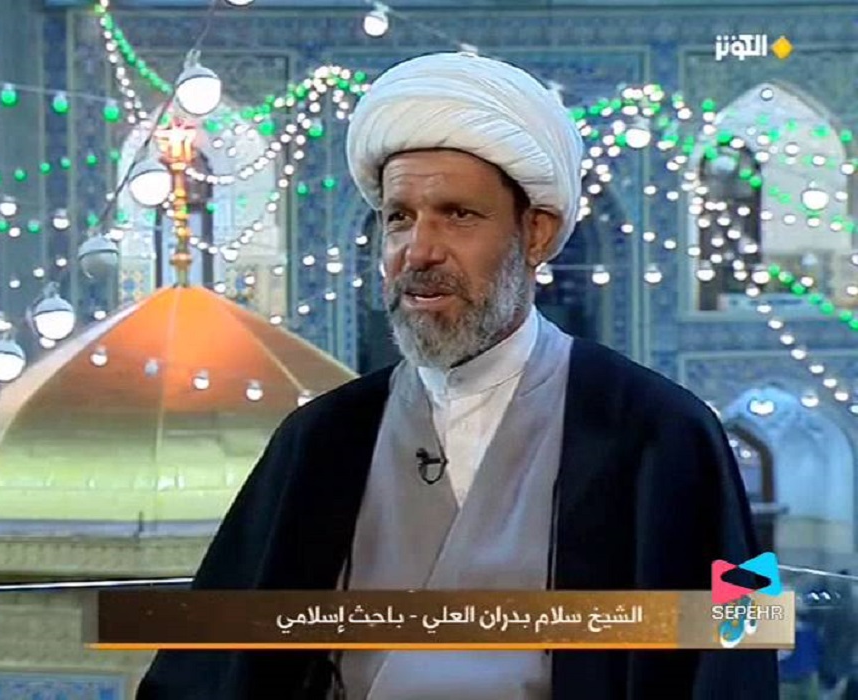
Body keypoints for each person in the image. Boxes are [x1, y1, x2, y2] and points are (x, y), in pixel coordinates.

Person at [136, 51, 778, 699]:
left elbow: (743, 637)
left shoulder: (661, 430)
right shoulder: (321, 439)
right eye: (399, 218)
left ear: (535, 233)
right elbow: (205, 668)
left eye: (458, 215)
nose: (420, 251)